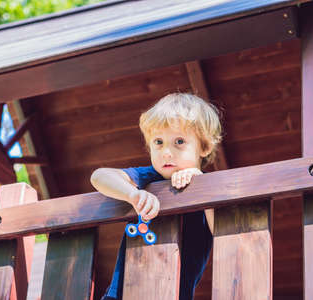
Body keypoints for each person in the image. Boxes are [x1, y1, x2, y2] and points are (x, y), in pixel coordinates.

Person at [90, 93, 222, 300]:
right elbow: (99, 176)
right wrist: (133, 194)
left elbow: (222, 232)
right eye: (158, 142)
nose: (166, 152)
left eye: (179, 141)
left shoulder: (212, 189)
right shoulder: (148, 179)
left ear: (204, 147)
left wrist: (201, 186)